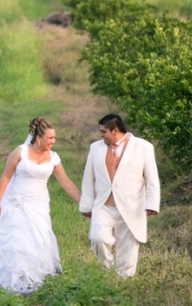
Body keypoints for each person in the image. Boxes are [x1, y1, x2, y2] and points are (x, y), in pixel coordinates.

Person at [0, 117, 81, 294]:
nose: (53, 141)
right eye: (50, 138)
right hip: (16, 202)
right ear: (39, 138)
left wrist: (83, 202)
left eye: (54, 138)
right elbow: (5, 176)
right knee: (19, 241)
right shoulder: (20, 152)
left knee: (38, 240)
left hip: (39, 205)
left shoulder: (53, 157)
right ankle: (17, 281)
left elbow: (66, 182)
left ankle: (35, 278)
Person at [79, 114, 160, 278]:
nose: (101, 135)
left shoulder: (143, 147)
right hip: (104, 206)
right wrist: (86, 206)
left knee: (128, 247)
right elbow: (88, 178)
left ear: (115, 130)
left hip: (131, 206)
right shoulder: (95, 148)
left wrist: (152, 204)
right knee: (97, 238)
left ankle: (124, 282)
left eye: (104, 132)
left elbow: (152, 178)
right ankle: (107, 270)